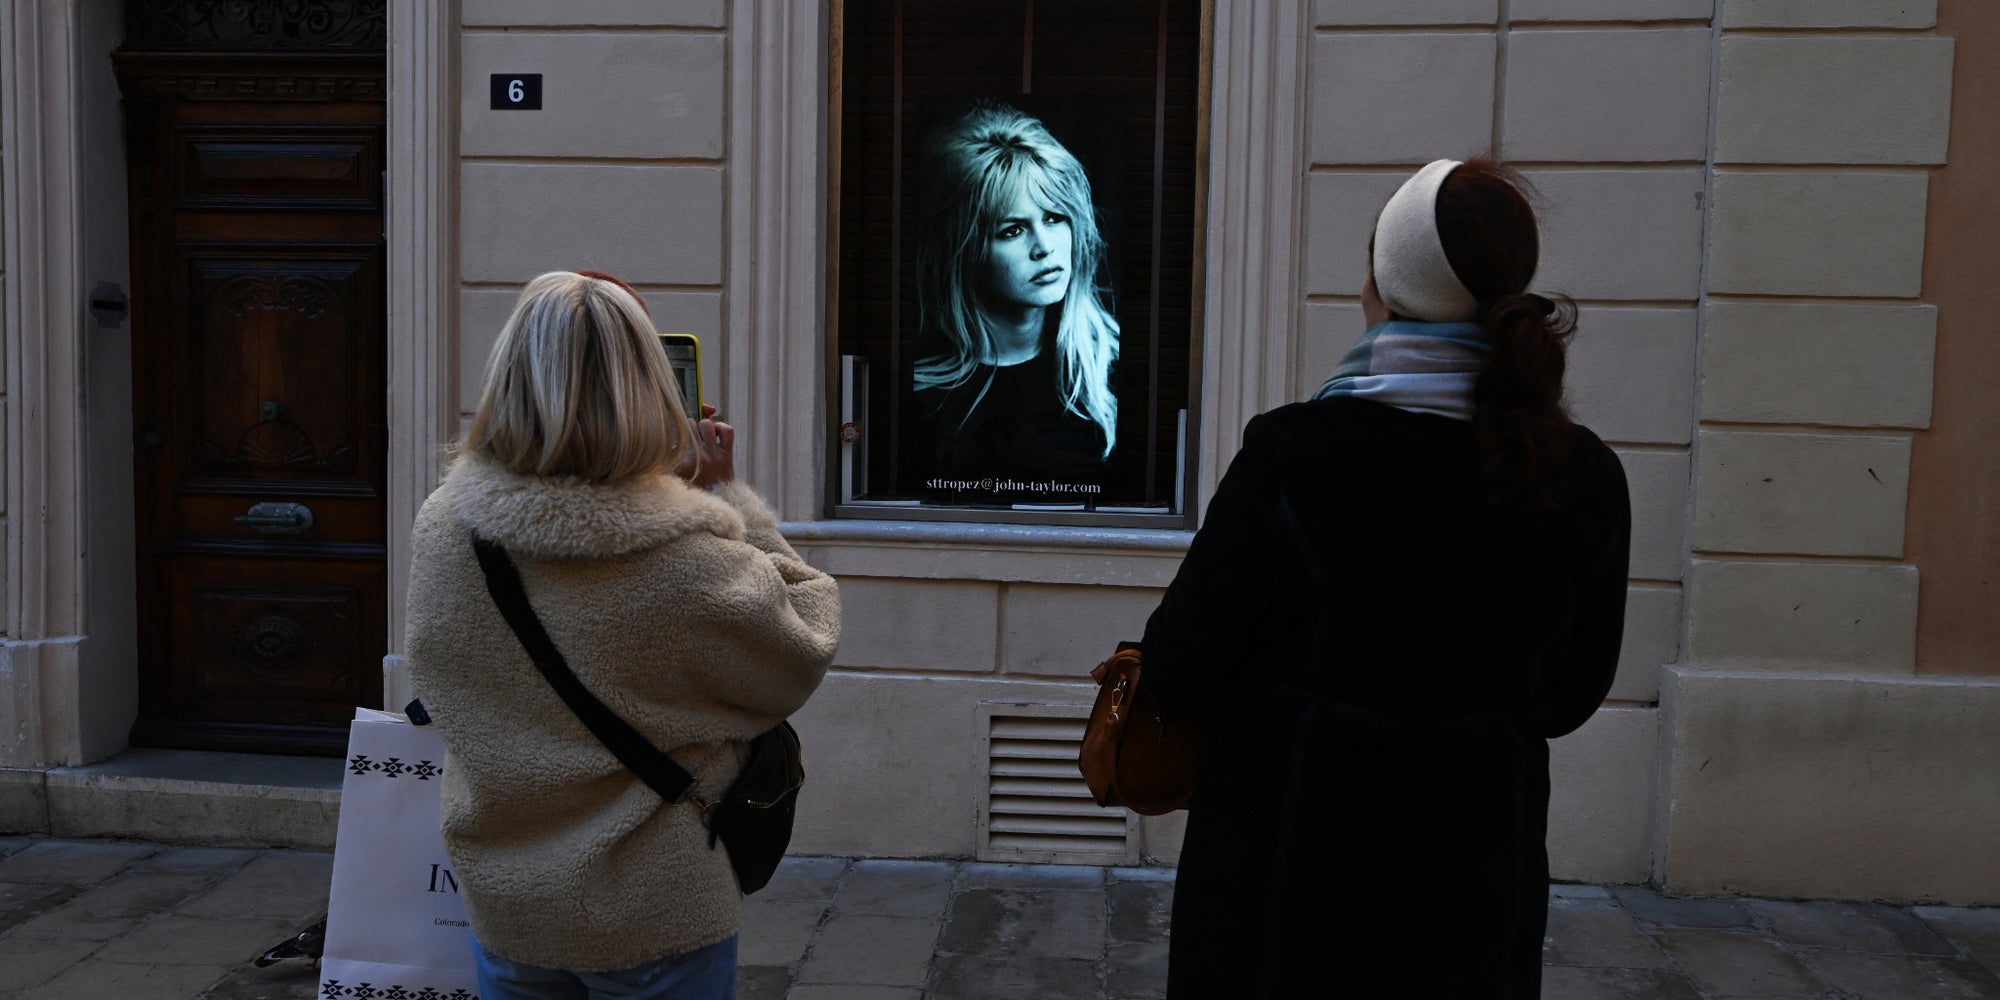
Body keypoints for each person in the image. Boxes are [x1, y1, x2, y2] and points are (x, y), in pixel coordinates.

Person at [1139, 159, 1631, 998]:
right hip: (1474, 885)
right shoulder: (1580, 471)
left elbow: (1178, 665)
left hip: (1286, 882)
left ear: (1382, 285)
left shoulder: (1295, 454)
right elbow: (1572, 694)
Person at [406, 270, 842, 999]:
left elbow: (446, 680)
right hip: (654, 913)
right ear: (648, 385)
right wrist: (727, 495)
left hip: (509, 905)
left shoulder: (447, 527)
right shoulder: (683, 555)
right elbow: (800, 647)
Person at [910, 103, 1120, 496]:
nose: (1044, 248)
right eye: (1012, 230)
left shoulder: (1106, 367)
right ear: (964, 249)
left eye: (1055, 217)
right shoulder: (923, 392)